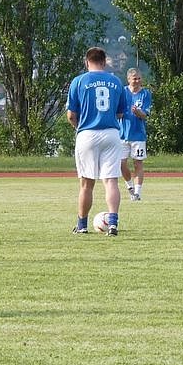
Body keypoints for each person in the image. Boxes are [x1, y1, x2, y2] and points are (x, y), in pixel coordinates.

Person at [66, 47, 127, 236]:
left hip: (87, 133)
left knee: (87, 183)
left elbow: (71, 115)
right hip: (111, 133)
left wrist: (79, 127)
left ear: (87, 62)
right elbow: (120, 113)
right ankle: (113, 223)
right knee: (111, 181)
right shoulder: (116, 81)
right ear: (105, 61)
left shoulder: (79, 81)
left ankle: (82, 225)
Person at [120, 68, 152, 201]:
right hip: (122, 134)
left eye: (139, 78)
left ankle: (137, 193)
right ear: (128, 79)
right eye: (134, 78)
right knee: (121, 163)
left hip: (138, 134)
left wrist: (138, 112)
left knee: (138, 163)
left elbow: (145, 114)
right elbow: (117, 112)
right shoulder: (122, 92)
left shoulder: (145, 94)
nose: (137, 81)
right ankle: (130, 187)